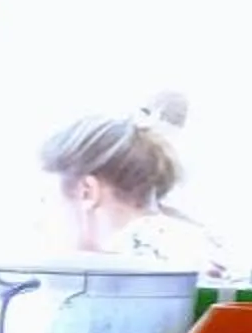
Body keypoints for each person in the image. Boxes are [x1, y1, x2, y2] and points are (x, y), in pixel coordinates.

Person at [39, 92, 227, 275]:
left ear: (87, 192)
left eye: (46, 201)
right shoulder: (190, 250)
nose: (43, 221)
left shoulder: (130, 268)